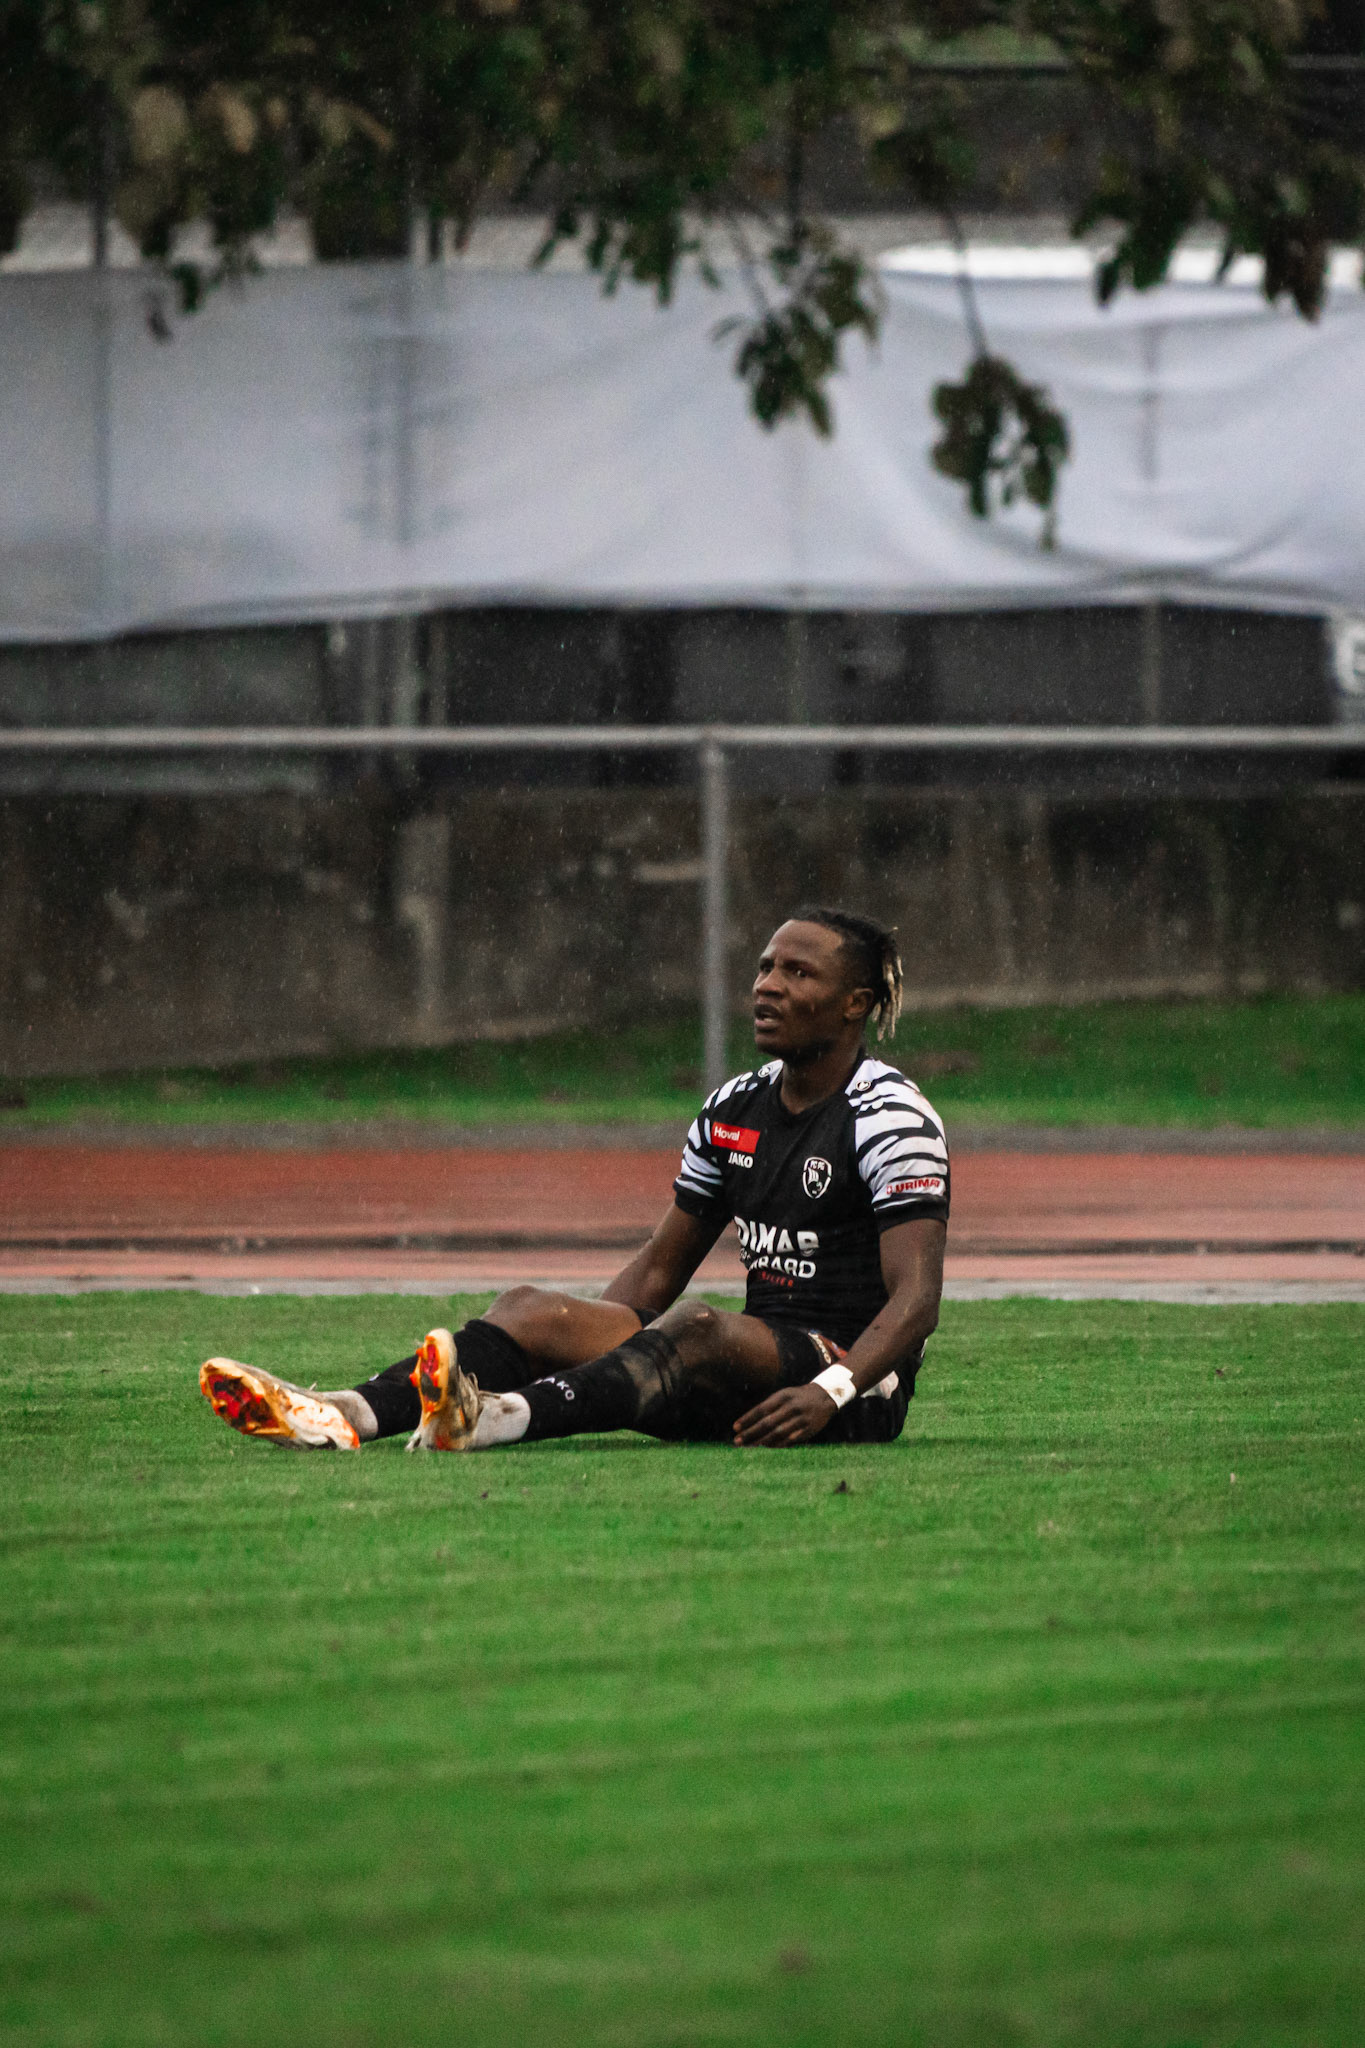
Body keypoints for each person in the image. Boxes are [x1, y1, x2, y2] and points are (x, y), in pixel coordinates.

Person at [199, 906, 949, 1455]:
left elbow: (916, 1300)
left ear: (855, 1005)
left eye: (797, 973)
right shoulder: (733, 1109)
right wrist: (577, 1343)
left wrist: (832, 1392)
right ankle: (342, 1414)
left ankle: (493, 1418)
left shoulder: (888, 1117)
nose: (767, 986)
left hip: (847, 1392)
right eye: (764, 967)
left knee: (693, 1325)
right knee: (532, 1309)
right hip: (736, 1371)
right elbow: (658, 1268)